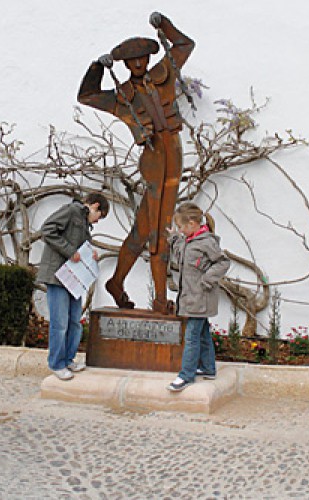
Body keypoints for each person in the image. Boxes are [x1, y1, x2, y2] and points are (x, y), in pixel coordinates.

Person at [78, 11, 195, 314]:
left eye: (142, 57)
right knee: (159, 228)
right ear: (125, 65)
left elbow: (184, 45)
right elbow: (87, 95)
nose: (138, 64)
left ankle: (116, 282)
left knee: (143, 230)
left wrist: (164, 26)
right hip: (155, 159)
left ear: (148, 57)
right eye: (131, 61)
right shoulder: (123, 96)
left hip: (175, 155)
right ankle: (159, 299)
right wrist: (96, 67)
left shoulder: (164, 74)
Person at [36, 192, 109, 380]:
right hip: (57, 276)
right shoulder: (70, 211)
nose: (98, 221)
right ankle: (56, 364)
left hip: (73, 279)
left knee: (75, 321)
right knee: (60, 323)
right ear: (94, 206)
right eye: (99, 216)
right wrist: (69, 251)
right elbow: (47, 230)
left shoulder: (84, 221)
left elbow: (80, 245)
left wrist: (90, 253)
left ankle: (68, 359)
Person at [166, 202, 230, 392]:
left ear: (192, 224)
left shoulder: (207, 242)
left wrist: (206, 280)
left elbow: (223, 263)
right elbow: (181, 256)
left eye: (181, 227)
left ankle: (186, 375)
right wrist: (174, 238)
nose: (180, 230)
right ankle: (209, 368)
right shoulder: (188, 241)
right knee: (202, 333)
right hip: (191, 297)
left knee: (192, 336)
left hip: (200, 298)